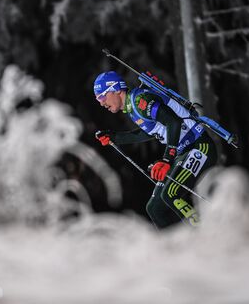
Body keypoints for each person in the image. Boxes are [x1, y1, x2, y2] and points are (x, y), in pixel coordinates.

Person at [93, 71, 217, 229]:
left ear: (116, 89)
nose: (101, 103)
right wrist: (115, 138)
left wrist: (166, 159)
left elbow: (173, 122)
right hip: (184, 152)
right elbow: (150, 131)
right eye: (98, 99)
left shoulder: (140, 100)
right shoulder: (132, 107)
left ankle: (204, 233)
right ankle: (177, 247)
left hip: (199, 145)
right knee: (155, 208)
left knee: (170, 194)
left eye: (102, 96)